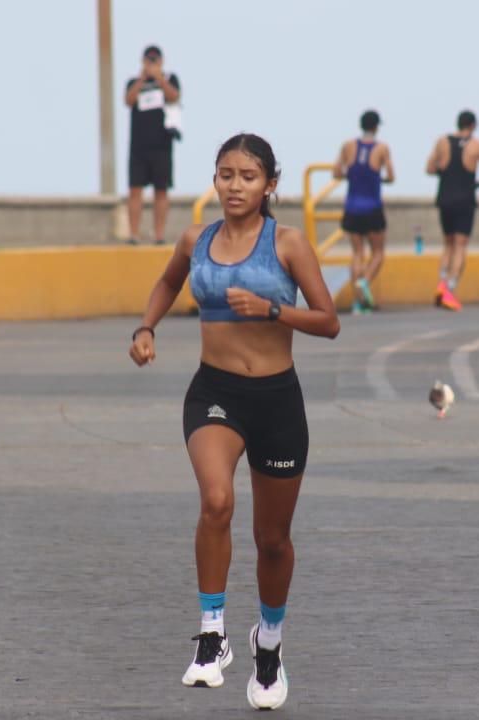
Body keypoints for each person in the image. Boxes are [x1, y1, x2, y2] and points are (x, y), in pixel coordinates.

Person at [128, 133, 339, 710]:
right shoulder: (196, 238)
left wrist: (273, 308)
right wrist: (146, 328)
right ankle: (213, 631)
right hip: (214, 393)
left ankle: (267, 642)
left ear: (270, 184)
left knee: (272, 541)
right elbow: (170, 280)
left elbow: (328, 321)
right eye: (225, 174)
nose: (235, 185)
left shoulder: (289, 243)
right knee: (216, 501)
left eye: (248, 176)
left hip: (276, 399)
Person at [425, 109, 479, 311]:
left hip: (445, 198)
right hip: (465, 199)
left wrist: (446, 175)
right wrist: (476, 184)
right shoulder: (478, 146)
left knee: (447, 244)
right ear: (473, 125)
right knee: (460, 245)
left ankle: (441, 283)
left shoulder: (442, 141)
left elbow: (430, 168)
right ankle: (450, 288)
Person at [333, 110, 395, 315]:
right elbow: (391, 176)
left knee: (357, 253)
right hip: (372, 207)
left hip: (351, 207)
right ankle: (364, 282)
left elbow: (337, 172)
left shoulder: (348, 146)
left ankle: (359, 303)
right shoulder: (382, 148)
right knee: (378, 252)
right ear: (376, 127)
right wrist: (378, 179)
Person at [124, 45, 180, 246]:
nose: (151, 63)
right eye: (148, 60)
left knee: (161, 190)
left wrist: (159, 78)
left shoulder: (170, 79)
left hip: (162, 146)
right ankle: (134, 234)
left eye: (155, 60)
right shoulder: (134, 82)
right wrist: (142, 79)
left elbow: (174, 96)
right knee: (135, 190)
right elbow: (128, 100)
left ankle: (159, 235)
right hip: (138, 146)